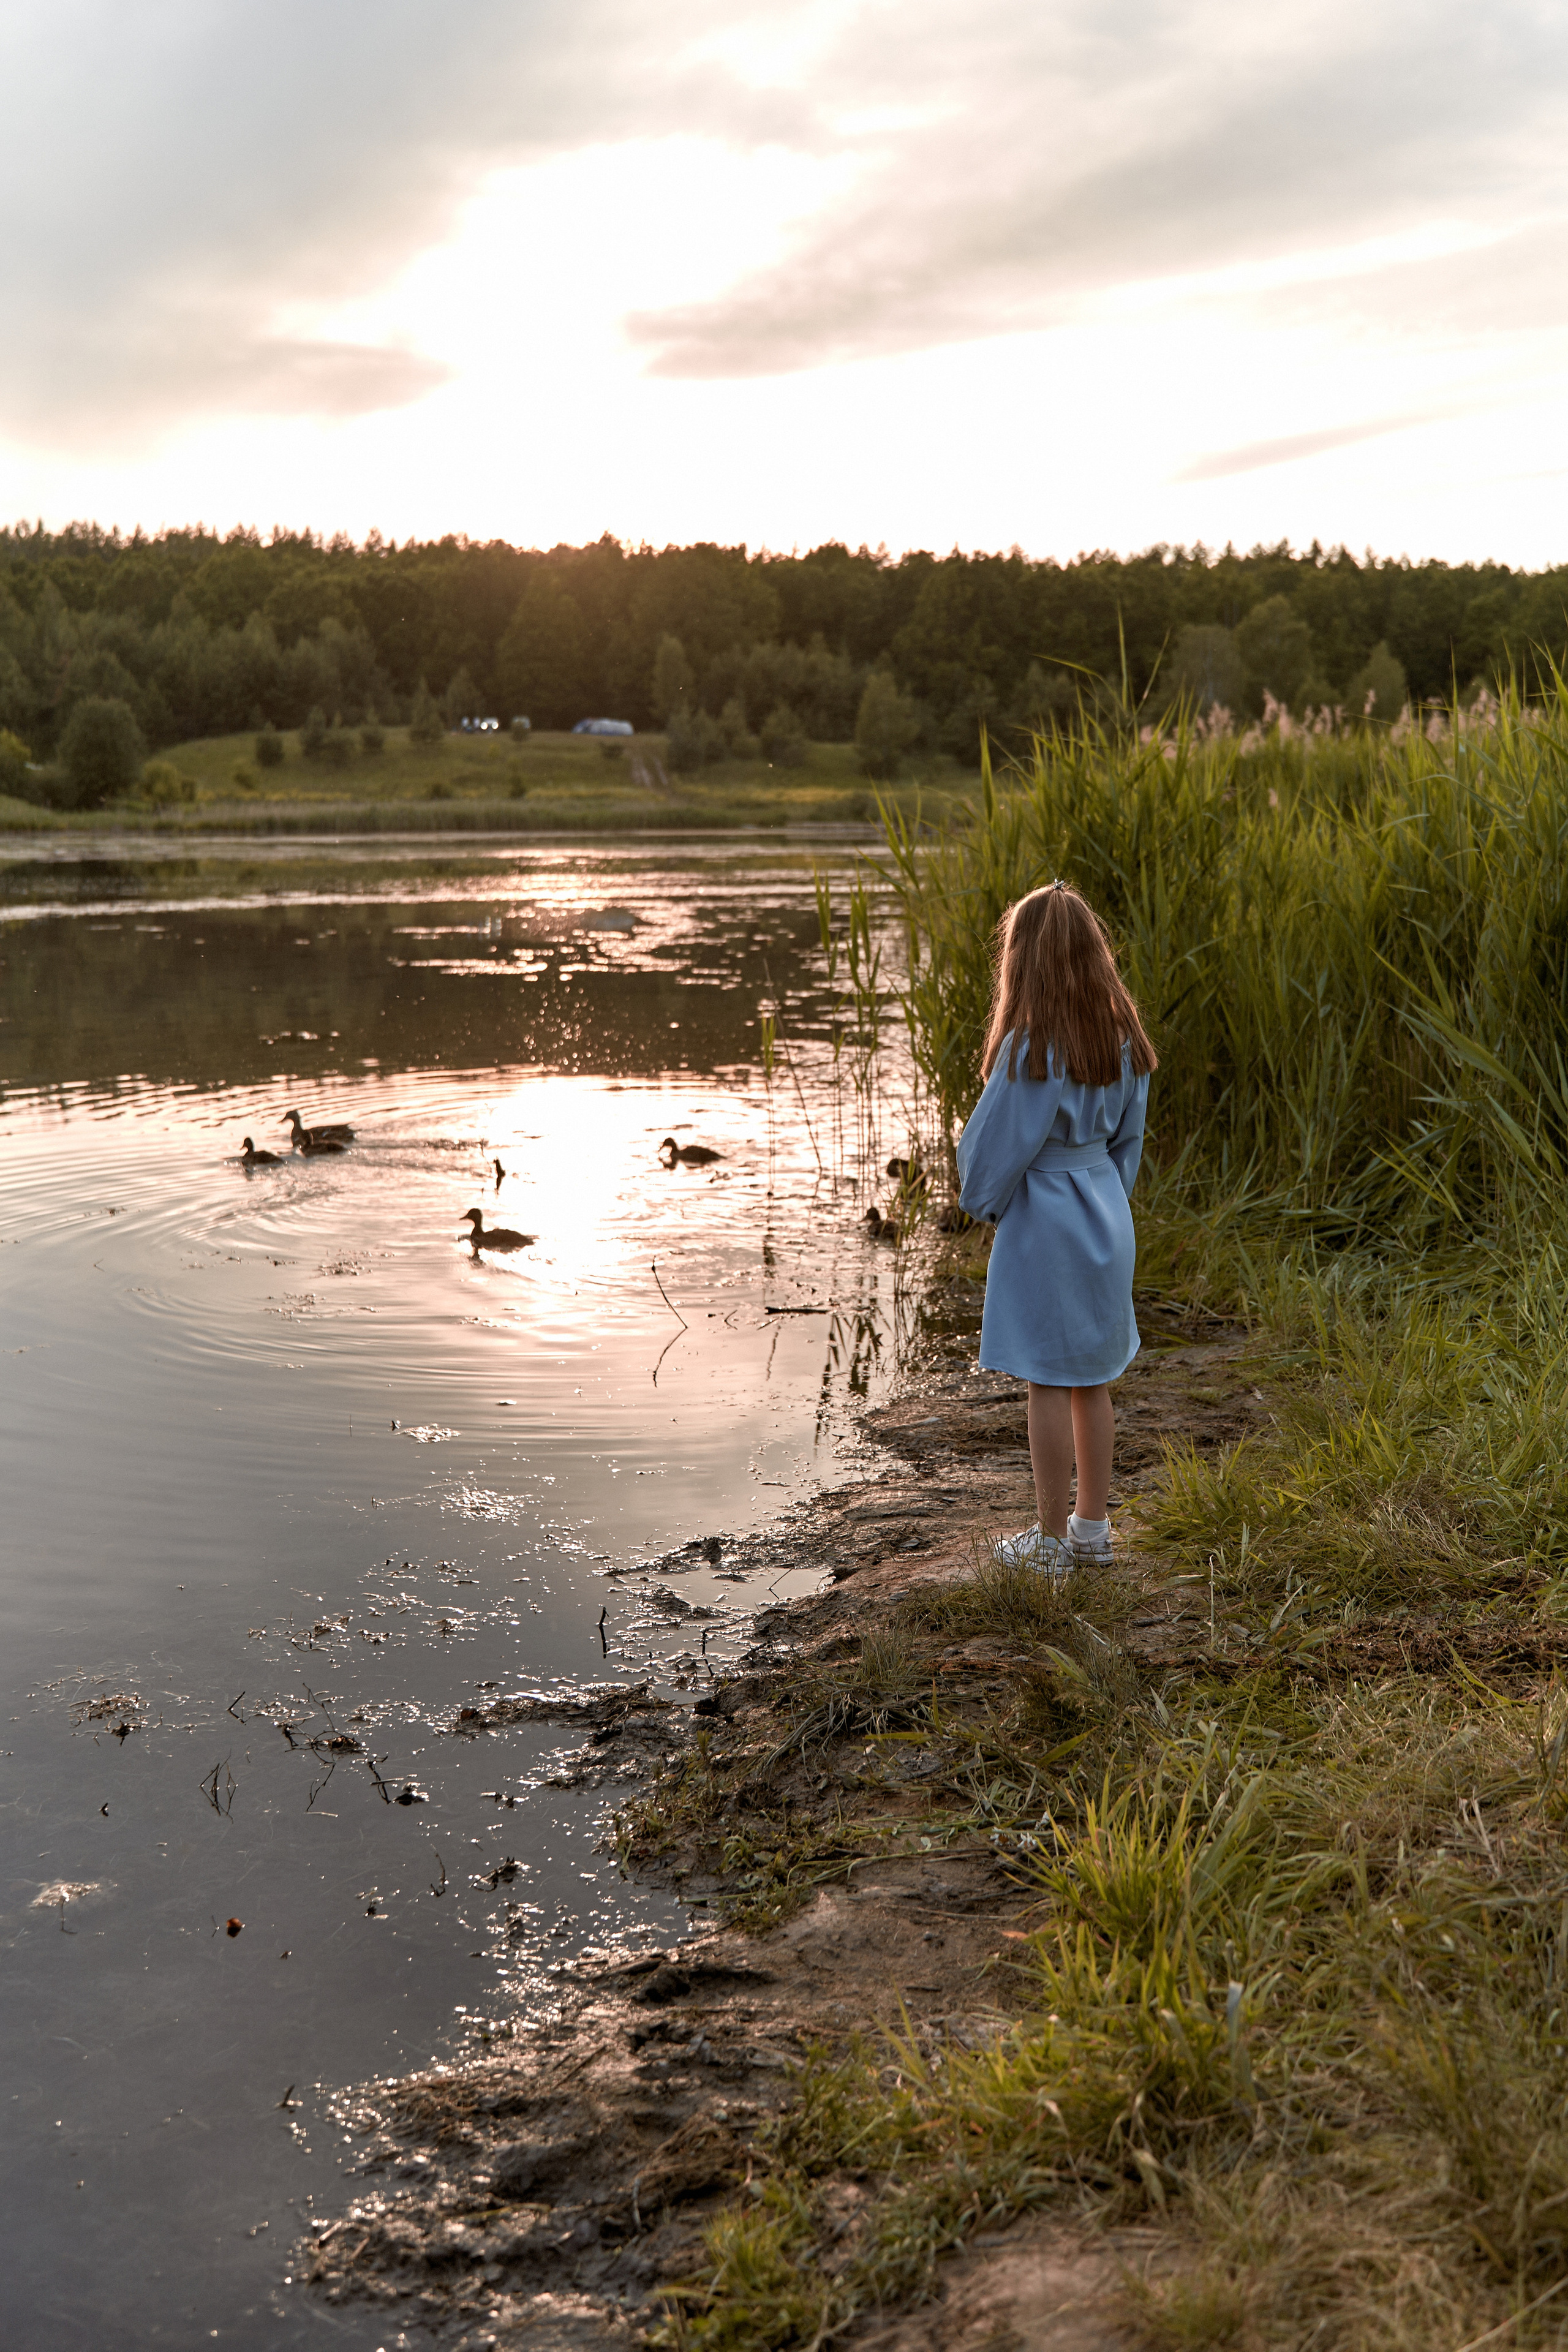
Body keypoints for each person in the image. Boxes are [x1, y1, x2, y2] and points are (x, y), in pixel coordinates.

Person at [956, 880, 1157, 1573]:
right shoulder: (1123, 1041)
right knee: (1092, 1379)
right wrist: (1107, 1202)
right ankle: (1091, 1531)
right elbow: (1127, 1144)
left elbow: (993, 1146)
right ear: (1093, 954)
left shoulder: (1029, 1049)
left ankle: (1045, 1541)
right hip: (1104, 1210)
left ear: (1022, 962)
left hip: (1045, 1216)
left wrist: (982, 1203)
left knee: (1045, 1377)